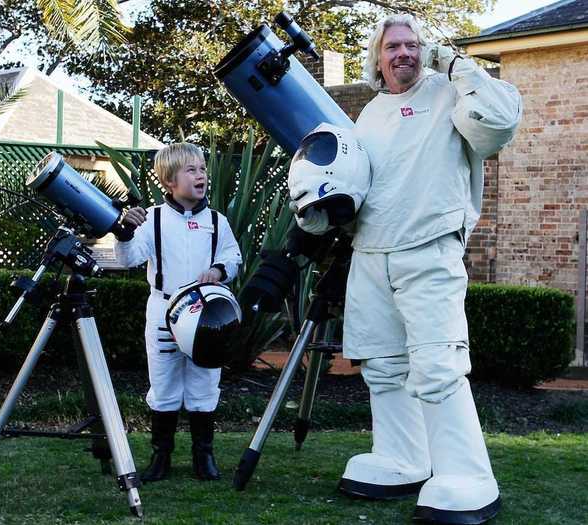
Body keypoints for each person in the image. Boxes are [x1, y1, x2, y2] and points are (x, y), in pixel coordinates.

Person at [295, 13, 522, 525]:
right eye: (393, 45)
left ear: (426, 50)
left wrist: (459, 65)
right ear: (378, 56)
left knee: (438, 366)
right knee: (383, 364)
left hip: (429, 247)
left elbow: (498, 124)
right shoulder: (370, 114)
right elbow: (353, 183)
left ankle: (468, 477)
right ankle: (404, 459)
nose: (404, 53)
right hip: (372, 252)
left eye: (412, 44)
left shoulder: (450, 92)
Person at [113, 143, 242, 483]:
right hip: (164, 311)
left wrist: (218, 271)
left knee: (204, 381)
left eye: (202, 169)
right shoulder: (153, 219)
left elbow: (233, 258)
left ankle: (204, 455)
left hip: (207, 314)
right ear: (169, 180)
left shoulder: (217, 221)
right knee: (164, 381)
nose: (201, 175)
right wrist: (124, 232)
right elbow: (128, 259)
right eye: (191, 170)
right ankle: (161, 455)